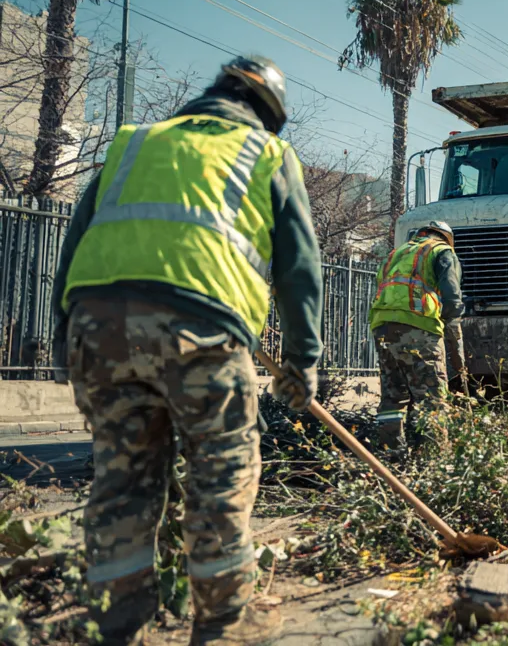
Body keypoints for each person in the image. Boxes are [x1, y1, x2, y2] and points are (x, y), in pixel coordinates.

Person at [53, 55, 322, 645]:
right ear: (267, 115)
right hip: (201, 334)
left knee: (122, 481)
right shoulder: (267, 153)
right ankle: (224, 624)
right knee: (220, 475)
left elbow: (74, 245)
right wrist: (302, 361)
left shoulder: (134, 142)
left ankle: (119, 625)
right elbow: (299, 268)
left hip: (98, 334)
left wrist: (62, 339)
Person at [367, 220, 466, 450]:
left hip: (382, 326)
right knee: (431, 397)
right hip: (418, 327)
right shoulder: (442, 252)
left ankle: (390, 452)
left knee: (393, 395)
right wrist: (449, 324)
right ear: (445, 238)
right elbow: (452, 298)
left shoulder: (395, 254)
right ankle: (434, 459)